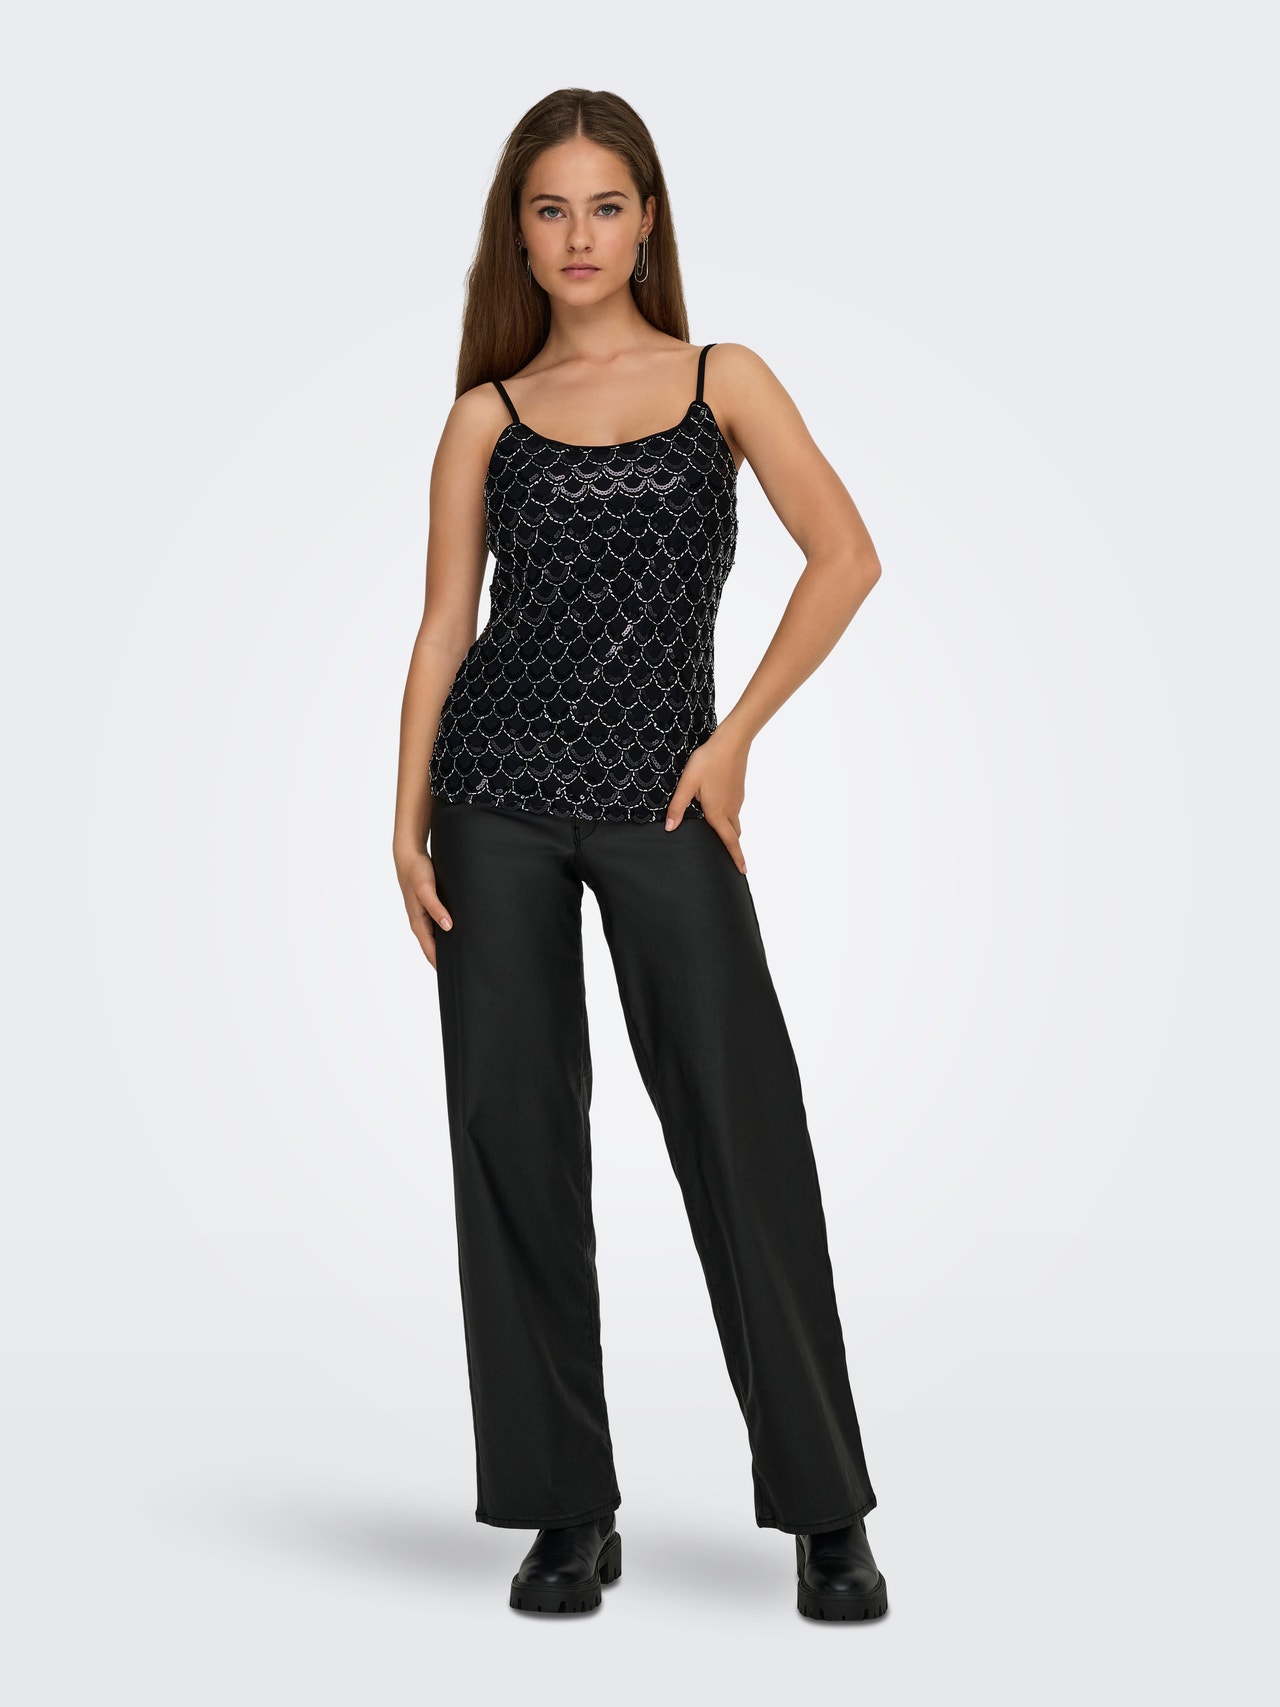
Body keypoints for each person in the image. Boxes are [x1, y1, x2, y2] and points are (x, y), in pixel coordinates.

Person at [392, 88, 888, 1622]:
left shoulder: (722, 379)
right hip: (493, 798)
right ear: (518, 233)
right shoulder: (486, 414)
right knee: (514, 1141)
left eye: (605, 205)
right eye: (550, 209)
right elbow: (445, 625)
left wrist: (733, 741)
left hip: (667, 798)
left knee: (744, 1130)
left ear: (648, 219)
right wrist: (403, 815)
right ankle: (566, 1510)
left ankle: (826, 1510)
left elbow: (846, 557)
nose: (579, 235)